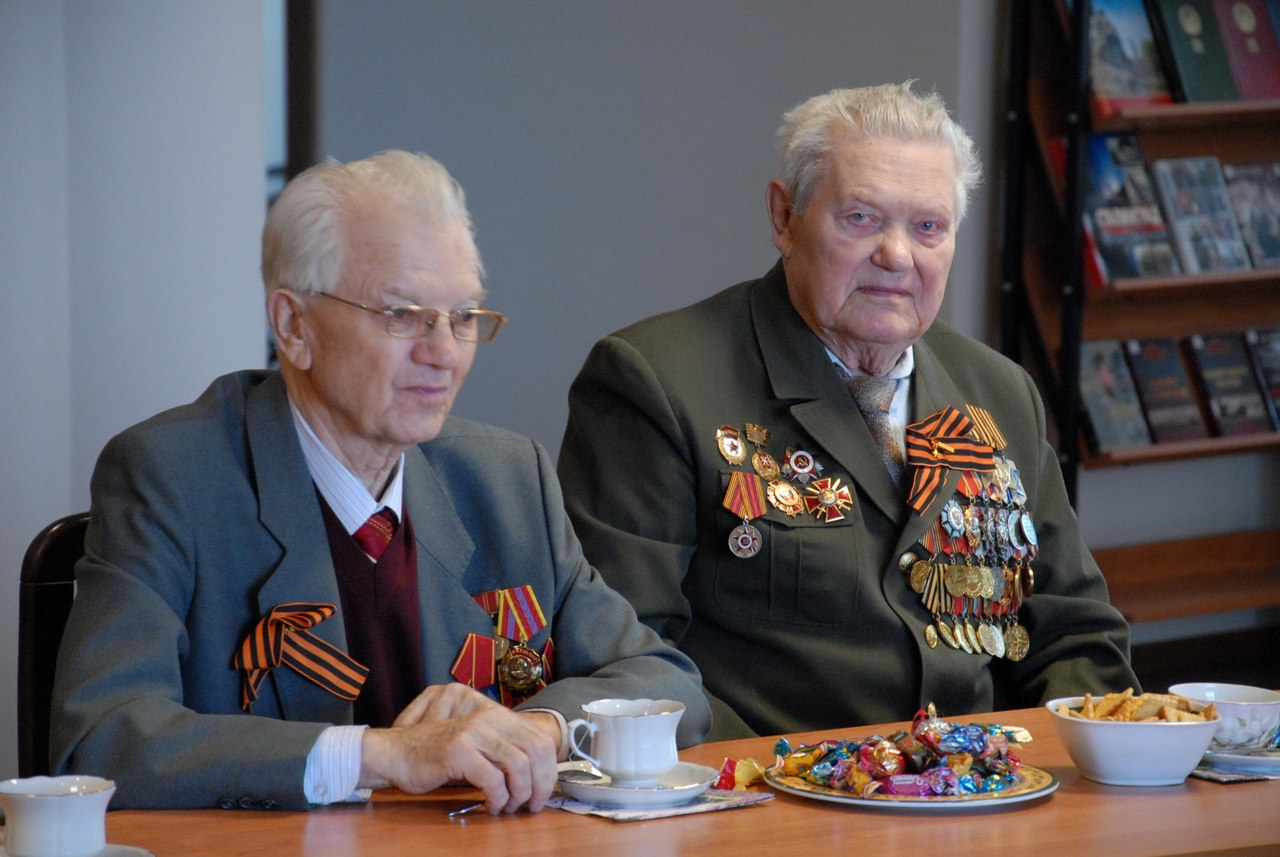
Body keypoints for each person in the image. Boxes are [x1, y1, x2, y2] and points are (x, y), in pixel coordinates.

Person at [51, 150, 710, 811]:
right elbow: (102, 738)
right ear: (293, 326)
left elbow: (669, 684)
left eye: (463, 317)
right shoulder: (172, 477)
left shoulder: (507, 478)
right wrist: (380, 755)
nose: (443, 353)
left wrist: (538, 728)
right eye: (401, 314)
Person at [557, 82, 1139, 740]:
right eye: (861, 218)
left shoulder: (1000, 392)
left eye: (928, 227)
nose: (897, 255)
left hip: (989, 782)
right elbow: (628, 661)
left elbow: (1075, 634)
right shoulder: (658, 381)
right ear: (784, 218)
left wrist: (1073, 769)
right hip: (760, 786)